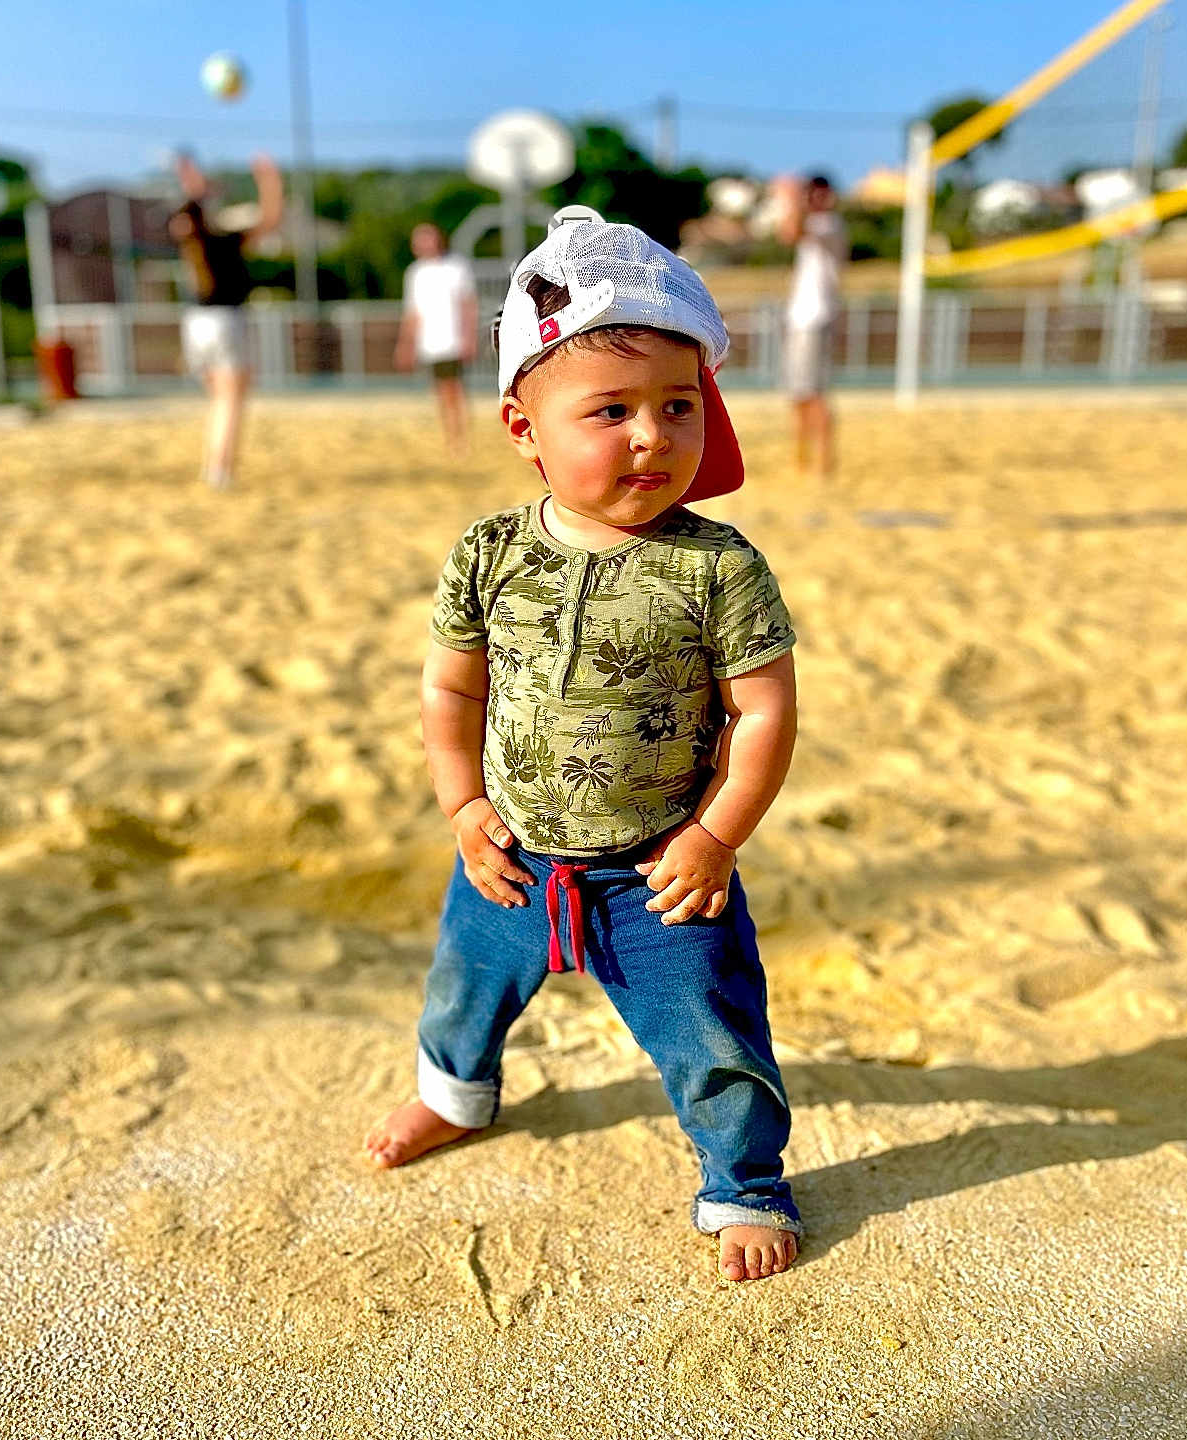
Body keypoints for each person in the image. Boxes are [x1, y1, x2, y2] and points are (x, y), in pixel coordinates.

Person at [365, 209, 802, 1284]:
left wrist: (716, 836)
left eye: (679, 405)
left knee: (713, 1032)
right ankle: (452, 1097)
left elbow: (764, 714)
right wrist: (463, 807)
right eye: (612, 410)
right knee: (463, 991)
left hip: (661, 871)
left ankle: (744, 1181)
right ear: (524, 427)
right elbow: (451, 688)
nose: (653, 435)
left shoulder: (719, 567)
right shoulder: (488, 553)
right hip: (509, 853)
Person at [168, 151, 283, 491]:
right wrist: (269, 180)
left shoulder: (192, 241)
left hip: (194, 323)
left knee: (218, 400)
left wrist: (191, 179)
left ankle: (212, 466)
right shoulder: (224, 241)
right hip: (225, 322)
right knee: (231, 401)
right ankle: (220, 470)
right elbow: (271, 218)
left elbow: (193, 204)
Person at [776, 173, 846, 478]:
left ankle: (823, 461)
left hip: (815, 318)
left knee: (814, 393)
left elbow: (792, 231)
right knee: (799, 393)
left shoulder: (831, 224)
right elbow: (789, 234)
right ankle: (803, 458)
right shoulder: (820, 224)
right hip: (802, 318)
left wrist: (791, 199)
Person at [396, 223, 477, 450]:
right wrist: (406, 345)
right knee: (440, 391)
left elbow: (468, 305)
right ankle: (450, 435)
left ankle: (461, 435)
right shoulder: (414, 273)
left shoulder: (456, 267)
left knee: (455, 389)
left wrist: (469, 338)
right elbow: (412, 313)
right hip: (429, 343)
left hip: (452, 340)